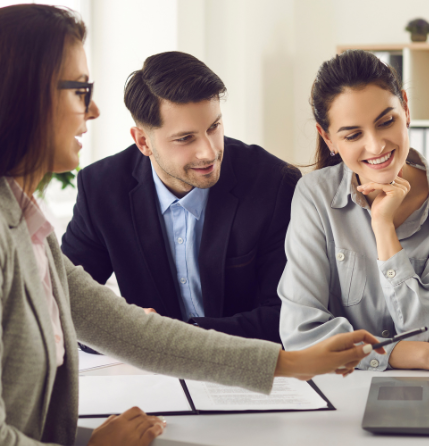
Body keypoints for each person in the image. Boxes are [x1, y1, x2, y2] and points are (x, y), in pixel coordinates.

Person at [0, 7, 381, 446]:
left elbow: (129, 331)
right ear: (21, 98)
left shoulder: (16, 217)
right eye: (79, 90)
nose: (93, 110)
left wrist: (289, 363)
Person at [278, 50, 429, 377]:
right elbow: (302, 337)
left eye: (386, 121)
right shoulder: (314, 196)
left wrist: (383, 229)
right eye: (353, 135)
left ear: (405, 108)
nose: (376, 146)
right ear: (328, 138)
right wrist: (425, 355)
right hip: (344, 389)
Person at [61, 51, 299, 344]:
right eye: (185, 138)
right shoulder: (101, 189)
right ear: (143, 141)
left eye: (214, 127)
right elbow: (63, 304)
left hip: (249, 370)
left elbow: (288, 316)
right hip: (151, 377)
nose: (209, 151)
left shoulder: (273, 182)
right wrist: (124, 328)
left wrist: (172, 338)